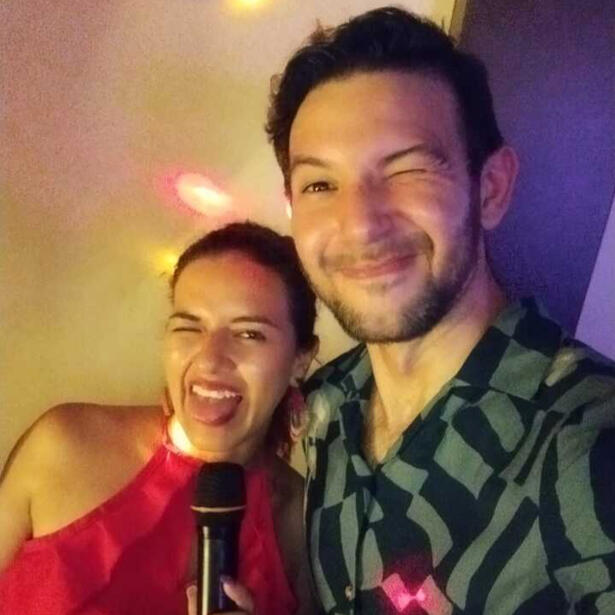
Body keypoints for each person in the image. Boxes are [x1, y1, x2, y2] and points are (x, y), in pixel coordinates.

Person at [265, 6, 615, 614]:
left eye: (407, 169)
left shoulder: (590, 446)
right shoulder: (324, 407)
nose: (360, 224)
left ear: (491, 188)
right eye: (320, 185)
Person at [0, 221, 319, 615]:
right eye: (188, 327)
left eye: (250, 334)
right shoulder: (65, 444)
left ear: (300, 359)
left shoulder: (304, 523)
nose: (209, 359)